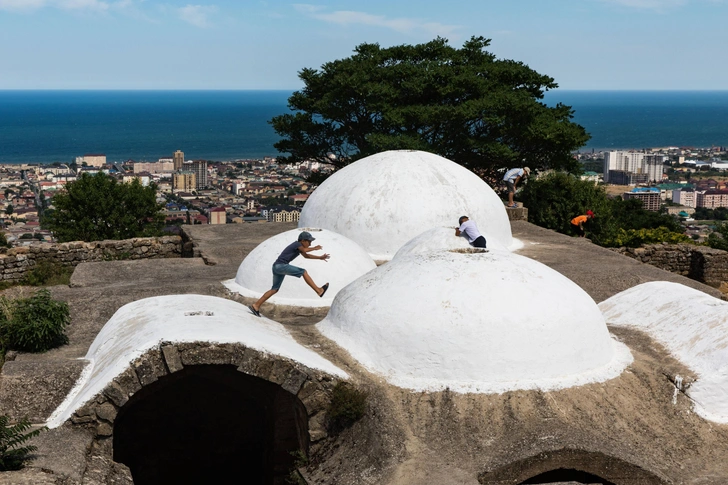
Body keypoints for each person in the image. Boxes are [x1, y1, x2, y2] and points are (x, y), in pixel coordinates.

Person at [248, 231, 330, 317]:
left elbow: (306, 256)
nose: (310, 243)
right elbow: (305, 250)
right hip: (281, 266)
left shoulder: (299, 247)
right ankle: (319, 290)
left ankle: (256, 306)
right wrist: (314, 248)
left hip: (276, 267)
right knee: (303, 272)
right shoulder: (296, 244)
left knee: (274, 289)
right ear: (303, 241)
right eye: (309, 241)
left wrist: (320, 258)